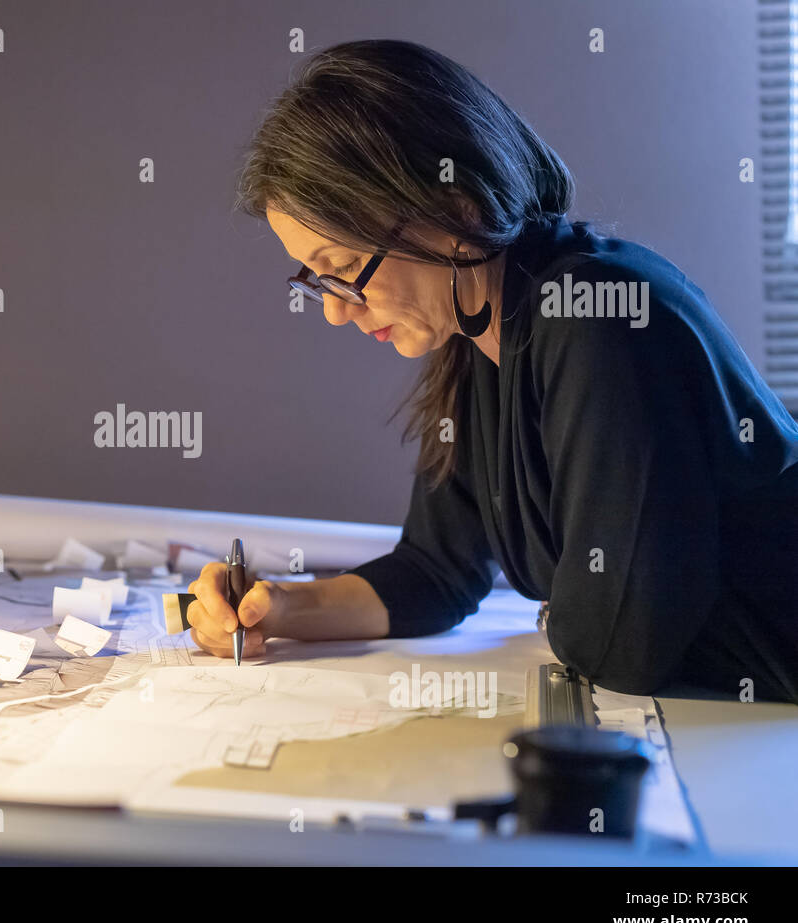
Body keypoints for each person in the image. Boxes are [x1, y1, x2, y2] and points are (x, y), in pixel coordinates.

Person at [187, 40, 798, 702]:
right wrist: (276, 609)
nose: (335, 312)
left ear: (457, 210)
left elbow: (622, 645)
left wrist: (563, 618)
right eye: (315, 280)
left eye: (343, 273)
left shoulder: (597, 319)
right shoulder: (477, 335)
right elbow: (434, 571)